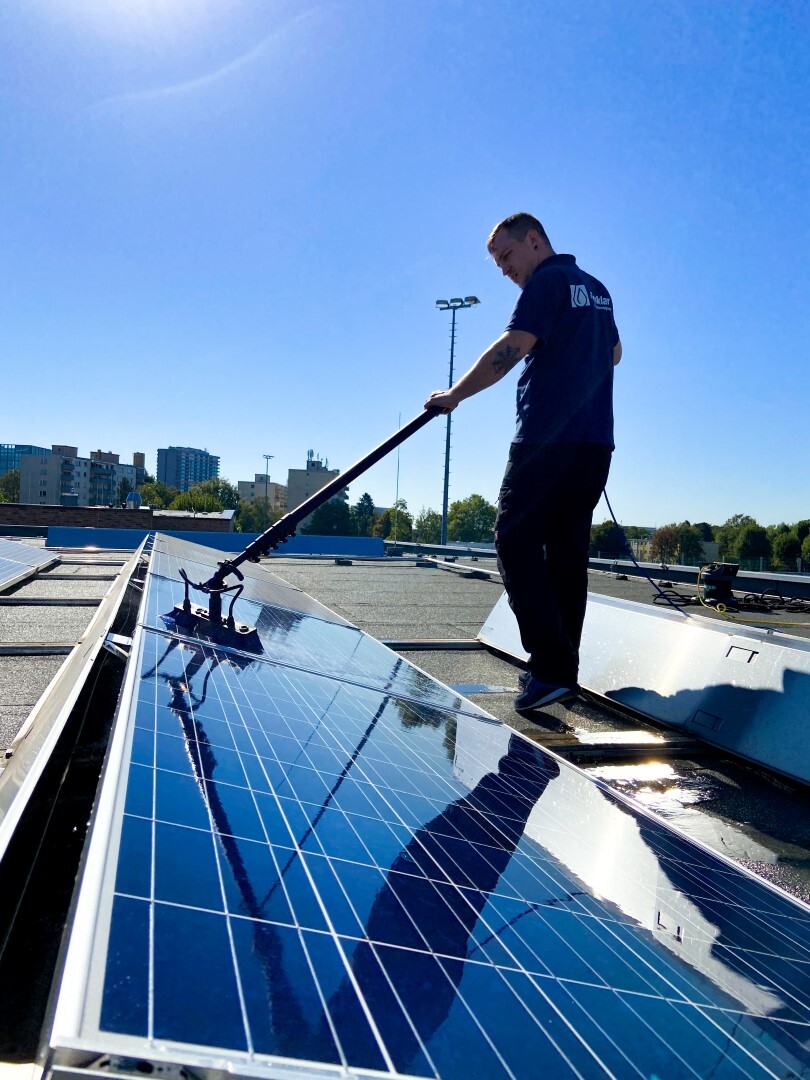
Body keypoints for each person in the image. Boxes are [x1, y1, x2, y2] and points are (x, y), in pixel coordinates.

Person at [425, 212, 621, 711]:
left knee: (513, 541)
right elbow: (615, 353)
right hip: (595, 444)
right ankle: (559, 674)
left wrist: (455, 395)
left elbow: (513, 347)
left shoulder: (547, 281)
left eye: (506, 256)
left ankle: (549, 665)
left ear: (533, 240)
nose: (504, 270)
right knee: (566, 556)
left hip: (546, 442)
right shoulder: (596, 288)